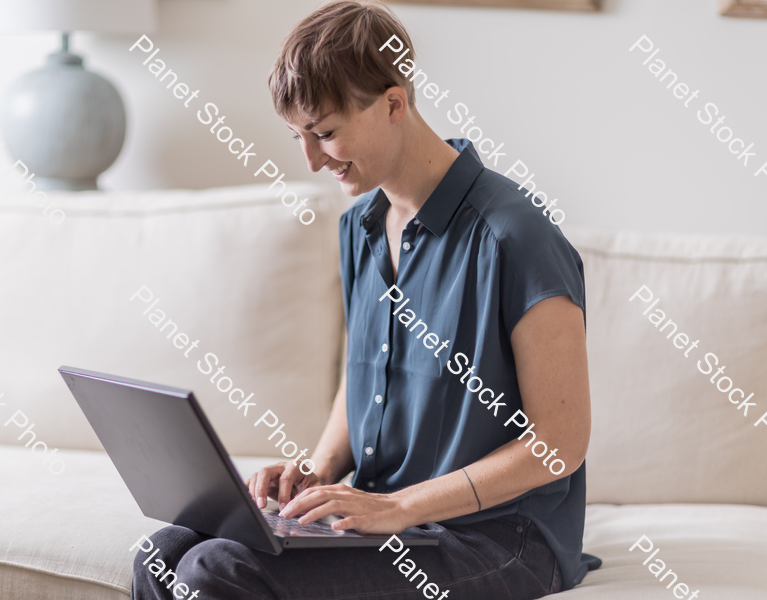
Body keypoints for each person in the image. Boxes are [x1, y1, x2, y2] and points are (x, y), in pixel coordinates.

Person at [132, 1, 601, 598]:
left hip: (501, 536)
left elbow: (559, 444)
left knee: (215, 572)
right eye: (298, 136)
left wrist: (402, 505)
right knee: (165, 554)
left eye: (325, 132)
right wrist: (318, 472)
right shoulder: (360, 227)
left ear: (394, 104)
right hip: (387, 516)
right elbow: (367, 378)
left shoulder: (518, 236)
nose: (310, 159)